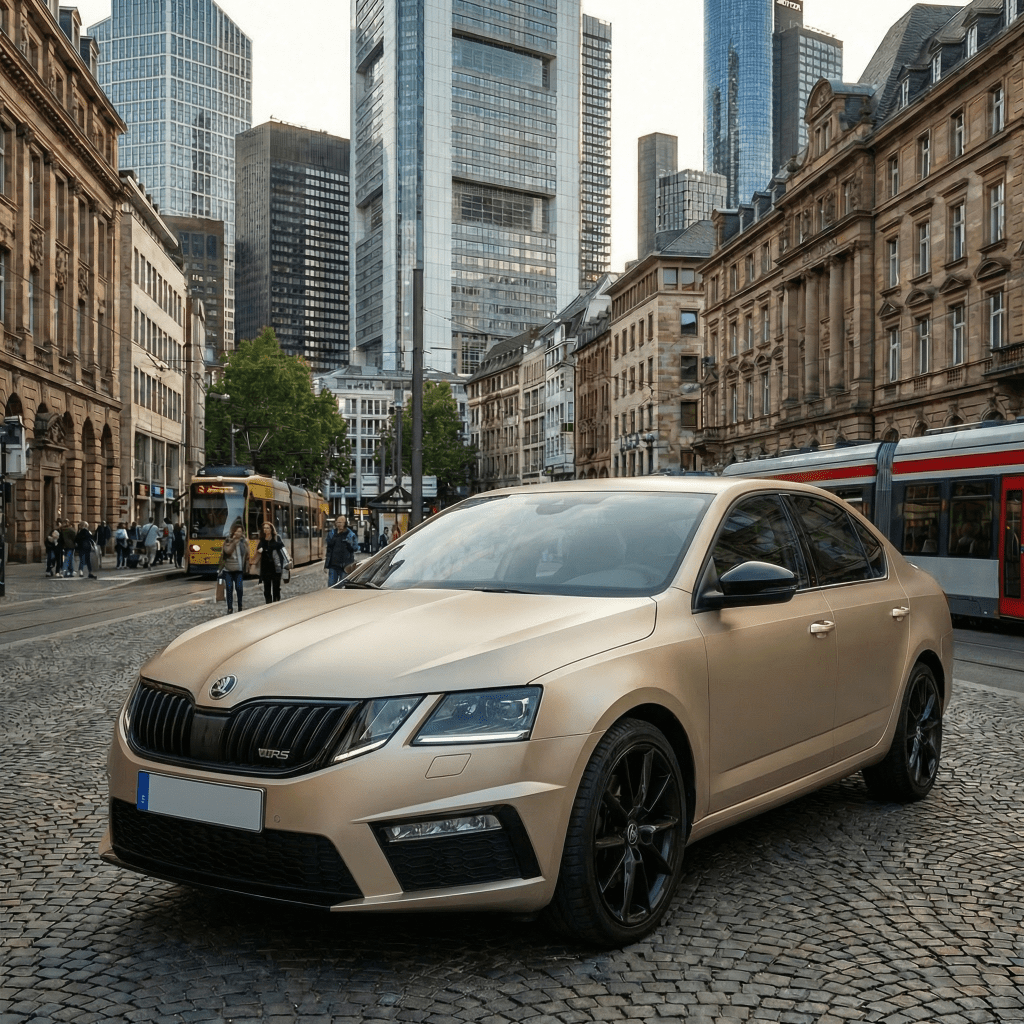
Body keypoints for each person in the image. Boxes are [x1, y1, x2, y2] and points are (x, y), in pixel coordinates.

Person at [218, 519, 249, 613]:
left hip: (239, 569)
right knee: (229, 588)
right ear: (233, 532)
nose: (239, 533)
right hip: (228, 570)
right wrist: (234, 543)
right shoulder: (228, 540)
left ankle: (240, 605)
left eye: (240, 531)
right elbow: (227, 551)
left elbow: (247, 554)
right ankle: (230, 608)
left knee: (239, 588)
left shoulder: (243, 542)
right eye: (237, 531)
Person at [256, 522, 287, 604]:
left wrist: (288, 559)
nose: (266, 529)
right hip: (265, 567)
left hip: (276, 566)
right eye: (264, 528)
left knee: (276, 587)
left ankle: (276, 602)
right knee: (267, 588)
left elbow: (283, 550)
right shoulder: (262, 540)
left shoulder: (277, 538)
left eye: (267, 528)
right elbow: (259, 552)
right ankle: (268, 603)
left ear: (271, 529)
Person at [324, 514, 358, 588]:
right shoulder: (332, 534)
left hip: (345, 566)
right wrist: (326, 565)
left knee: (342, 586)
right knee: (331, 586)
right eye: (338, 522)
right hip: (333, 565)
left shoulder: (351, 535)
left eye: (341, 522)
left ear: (345, 523)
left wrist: (349, 545)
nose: (339, 524)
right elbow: (329, 550)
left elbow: (355, 548)